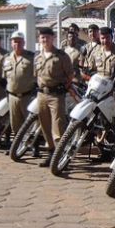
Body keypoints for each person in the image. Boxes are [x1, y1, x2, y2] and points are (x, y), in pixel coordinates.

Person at [34, 27, 74, 167]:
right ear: (39, 39)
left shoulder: (61, 56)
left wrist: (63, 87)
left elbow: (70, 75)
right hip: (41, 95)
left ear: (53, 38)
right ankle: (50, 153)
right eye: (42, 37)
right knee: (44, 125)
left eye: (48, 37)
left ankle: (60, 156)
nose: (45, 40)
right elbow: (36, 75)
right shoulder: (37, 57)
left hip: (56, 95)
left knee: (57, 126)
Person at [2, 31, 36, 153]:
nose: (17, 44)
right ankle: (17, 146)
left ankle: (33, 146)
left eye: (19, 41)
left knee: (30, 124)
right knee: (15, 124)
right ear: (11, 43)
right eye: (15, 41)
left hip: (28, 95)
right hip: (12, 96)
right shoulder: (7, 59)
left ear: (24, 43)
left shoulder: (31, 57)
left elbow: (37, 75)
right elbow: (4, 77)